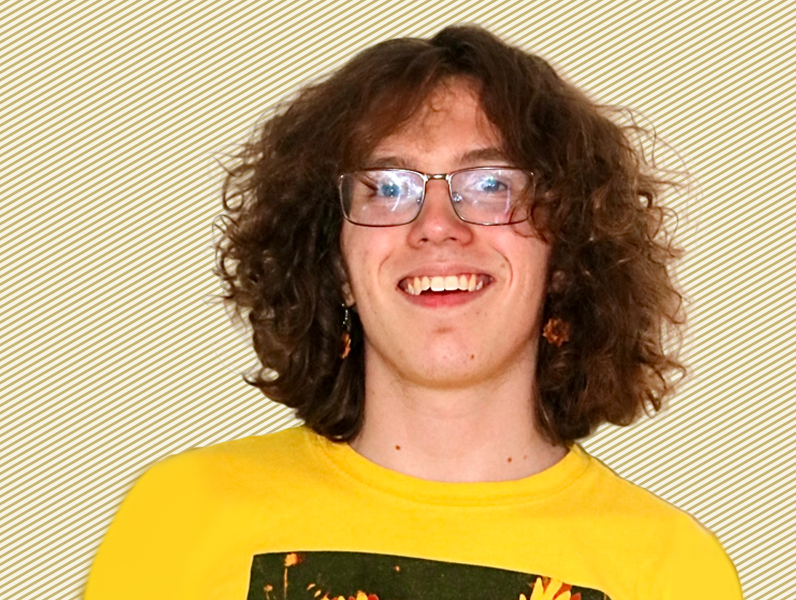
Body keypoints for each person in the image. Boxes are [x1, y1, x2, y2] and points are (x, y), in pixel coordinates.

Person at [84, 25, 742, 600]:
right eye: (387, 188)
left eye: (489, 186)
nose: (437, 225)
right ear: (336, 262)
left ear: (566, 257)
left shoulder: (674, 571)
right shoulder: (181, 517)